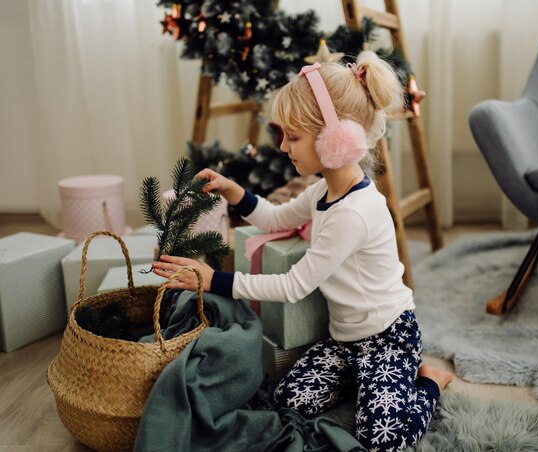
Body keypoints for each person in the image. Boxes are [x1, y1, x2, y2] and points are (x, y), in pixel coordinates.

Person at [151, 50, 452, 451]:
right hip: (344, 339)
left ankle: (430, 380)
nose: (284, 146)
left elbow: (294, 285)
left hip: (389, 336)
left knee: (381, 440)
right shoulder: (323, 191)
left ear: (336, 137)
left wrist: (213, 280)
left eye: (294, 137)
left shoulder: (354, 212)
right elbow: (275, 218)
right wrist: (233, 190)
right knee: (288, 401)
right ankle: (364, 383)